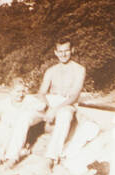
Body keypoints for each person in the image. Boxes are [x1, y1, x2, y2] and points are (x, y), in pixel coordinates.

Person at [37, 39, 86, 167]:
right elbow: (41, 93)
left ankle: (51, 157)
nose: (63, 54)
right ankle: (11, 155)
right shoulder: (51, 70)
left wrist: (55, 109)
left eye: (66, 51)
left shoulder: (79, 69)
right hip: (50, 101)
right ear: (56, 53)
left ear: (72, 50)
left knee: (64, 116)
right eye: (60, 51)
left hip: (67, 103)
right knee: (25, 114)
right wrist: (48, 107)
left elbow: (74, 96)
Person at [0, 79, 45, 166]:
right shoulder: (2, 104)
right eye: (18, 91)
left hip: (15, 136)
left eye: (23, 91)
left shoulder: (29, 101)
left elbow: (42, 108)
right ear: (11, 91)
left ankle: (8, 158)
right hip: (0, 134)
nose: (21, 94)